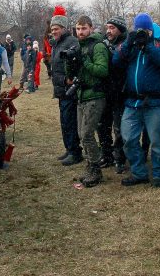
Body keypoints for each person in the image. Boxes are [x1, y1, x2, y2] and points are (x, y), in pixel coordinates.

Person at [113, 14, 160, 188]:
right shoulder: (131, 44)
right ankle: (139, 172)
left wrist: (149, 45)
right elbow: (116, 61)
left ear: (151, 29)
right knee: (127, 139)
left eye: (145, 30)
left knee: (157, 142)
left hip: (155, 102)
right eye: (138, 29)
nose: (142, 32)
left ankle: (158, 175)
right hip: (132, 102)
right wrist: (128, 43)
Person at [71, 16, 110, 187]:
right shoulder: (79, 46)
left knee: (87, 134)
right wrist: (71, 62)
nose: (80, 32)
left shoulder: (98, 46)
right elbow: (73, 74)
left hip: (95, 95)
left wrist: (85, 61)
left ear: (91, 28)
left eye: (84, 28)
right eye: (78, 29)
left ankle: (96, 169)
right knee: (82, 134)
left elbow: (102, 70)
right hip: (82, 94)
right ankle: (90, 166)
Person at [49, 10, 82, 166]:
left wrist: (67, 80)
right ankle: (69, 149)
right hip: (61, 90)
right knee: (64, 121)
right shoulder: (57, 43)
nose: (53, 31)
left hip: (69, 91)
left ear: (63, 28)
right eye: (52, 29)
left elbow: (73, 65)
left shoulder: (71, 42)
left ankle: (75, 152)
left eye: (56, 28)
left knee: (70, 121)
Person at [98, 16, 128, 173]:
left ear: (120, 29)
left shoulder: (126, 44)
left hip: (120, 92)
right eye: (107, 27)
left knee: (119, 127)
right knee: (102, 125)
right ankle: (106, 154)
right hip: (105, 91)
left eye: (112, 28)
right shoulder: (102, 44)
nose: (108, 31)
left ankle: (120, 157)